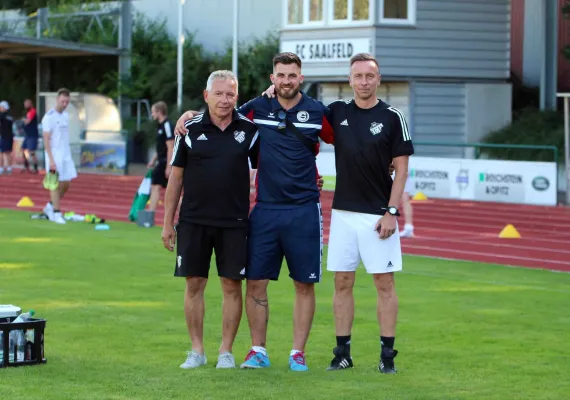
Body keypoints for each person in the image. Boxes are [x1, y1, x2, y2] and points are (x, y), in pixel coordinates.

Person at [174, 52, 334, 372]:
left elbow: (348, 140)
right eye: (281, 75)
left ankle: (297, 353)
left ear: (300, 78)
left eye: (292, 75)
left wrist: (383, 161)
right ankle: (257, 350)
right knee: (256, 283)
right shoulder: (255, 110)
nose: (286, 80)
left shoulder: (318, 112)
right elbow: (221, 112)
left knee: (304, 284)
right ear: (272, 79)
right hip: (264, 210)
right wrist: (187, 114)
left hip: (304, 209)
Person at [162, 70, 259, 370]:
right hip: (193, 221)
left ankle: (226, 351)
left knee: (232, 286)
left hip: (234, 222)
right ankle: (197, 350)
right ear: (206, 96)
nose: (224, 99)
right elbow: (175, 179)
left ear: (237, 97)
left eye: (230, 94)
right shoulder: (188, 129)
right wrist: (168, 223)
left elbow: (267, 169)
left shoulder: (250, 131)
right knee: (194, 284)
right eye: (218, 93)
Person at [322, 53, 414, 373]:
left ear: (378, 79)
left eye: (369, 76)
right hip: (343, 214)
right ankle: (342, 354)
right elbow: (298, 115)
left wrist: (391, 211)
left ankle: (387, 356)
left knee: (384, 284)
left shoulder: (392, 117)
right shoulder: (335, 112)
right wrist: (267, 94)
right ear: (350, 80)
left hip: (378, 216)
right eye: (358, 76)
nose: (363, 81)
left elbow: (401, 170)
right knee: (342, 282)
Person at [41, 88, 76, 225]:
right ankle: (56, 212)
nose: (65, 104)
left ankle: (50, 206)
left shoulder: (66, 116)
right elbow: (46, 140)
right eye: (63, 101)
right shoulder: (49, 117)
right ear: (57, 99)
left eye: (67, 102)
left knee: (66, 183)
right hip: (54, 155)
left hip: (65, 154)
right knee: (54, 184)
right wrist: (50, 159)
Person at [147, 101, 174, 217]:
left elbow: (171, 147)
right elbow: (161, 147)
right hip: (161, 160)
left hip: (165, 162)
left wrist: (169, 166)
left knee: (156, 187)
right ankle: (149, 215)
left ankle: (149, 215)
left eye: (153, 112)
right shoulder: (160, 126)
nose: (152, 114)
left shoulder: (167, 125)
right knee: (168, 190)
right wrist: (153, 160)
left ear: (159, 112)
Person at [21, 99, 39, 174]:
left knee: (31, 151)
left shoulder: (32, 111)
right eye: (25, 104)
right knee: (23, 149)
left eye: (27, 103)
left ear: (30, 104)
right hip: (27, 135)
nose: (25, 105)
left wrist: (23, 120)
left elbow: (27, 121)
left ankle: (35, 167)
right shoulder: (28, 112)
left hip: (32, 135)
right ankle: (26, 166)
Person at [0, 101, 14, 175]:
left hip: (4, 136)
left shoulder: (2, 115)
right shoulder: (10, 116)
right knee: (8, 152)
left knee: (2, 153)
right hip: (10, 136)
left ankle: (1, 168)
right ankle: (9, 168)